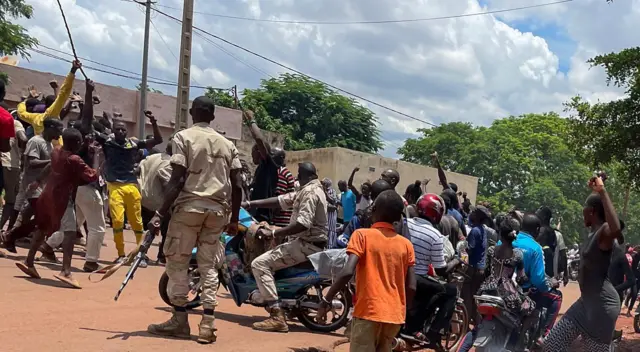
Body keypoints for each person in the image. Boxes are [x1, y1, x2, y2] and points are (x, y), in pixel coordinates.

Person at [146, 96, 243, 344]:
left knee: (177, 262)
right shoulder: (227, 144)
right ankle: (207, 324)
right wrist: (233, 218)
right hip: (217, 213)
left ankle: (180, 320)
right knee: (208, 266)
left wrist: (159, 214)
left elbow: (176, 179)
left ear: (192, 113)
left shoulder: (183, 137)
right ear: (212, 116)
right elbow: (238, 185)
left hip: (189, 209)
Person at [317, 190, 416, 352]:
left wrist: (326, 300)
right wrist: (402, 311)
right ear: (399, 218)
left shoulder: (362, 236)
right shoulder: (406, 245)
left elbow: (348, 271)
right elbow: (412, 286)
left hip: (368, 312)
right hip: (394, 317)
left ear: (374, 209)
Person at [543, 175, 622, 352]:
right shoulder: (592, 233)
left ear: (592, 211)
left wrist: (602, 191)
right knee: (552, 345)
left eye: (584, 209)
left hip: (602, 305)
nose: (582, 213)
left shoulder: (604, 232)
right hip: (586, 302)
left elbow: (616, 228)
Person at [249, 162, 327, 332]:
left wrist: (274, 233)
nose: (296, 177)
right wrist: (250, 204)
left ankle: (276, 315)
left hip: (306, 245)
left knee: (259, 264)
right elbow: (280, 201)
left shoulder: (310, 193)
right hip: (307, 243)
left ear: (308, 176)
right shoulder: (309, 190)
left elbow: (302, 224)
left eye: (299, 173)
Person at [15, 127, 98, 288]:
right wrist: (96, 158)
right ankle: (66, 271)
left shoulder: (56, 151)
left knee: (42, 227)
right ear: (77, 143)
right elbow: (92, 175)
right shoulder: (75, 159)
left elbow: (48, 168)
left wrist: (38, 181)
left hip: (47, 195)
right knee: (70, 233)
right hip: (62, 199)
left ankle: (29, 261)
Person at [458, 215, 537, 352]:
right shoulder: (517, 254)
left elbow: (484, 271)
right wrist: (528, 283)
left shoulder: (491, 250)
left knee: (477, 328)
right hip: (507, 293)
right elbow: (520, 278)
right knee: (530, 309)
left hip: (486, 290)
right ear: (514, 236)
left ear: (500, 234)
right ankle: (518, 342)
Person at [95, 110, 162, 263]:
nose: (120, 131)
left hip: (131, 186)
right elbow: (87, 126)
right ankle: (121, 254)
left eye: (123, 129)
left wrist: (153, 121)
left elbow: (158, 140)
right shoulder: (107, 142)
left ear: (127, 132)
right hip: (114, 186)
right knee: (117, 221)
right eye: (117, 129)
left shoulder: (134, 144)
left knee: (137, 222)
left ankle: (140, 254)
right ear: (113, 130)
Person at [404, 193, 459, 346]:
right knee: (449, 291)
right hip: (417, 277)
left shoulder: (405, 223)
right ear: (437, 212)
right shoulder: (435, 235)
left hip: (398, 273)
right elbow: (440, 269)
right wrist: (456, 261)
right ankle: (432, 331)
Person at [1, 118, 63, 254]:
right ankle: (11, 235)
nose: (60, 133)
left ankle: (10, 235)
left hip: (42, 186)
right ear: (50, 127)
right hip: (32, 185)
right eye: (59, 129)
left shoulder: (49, 144)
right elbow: (31, 163)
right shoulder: (36, 141)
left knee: (29, 214)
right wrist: (53, 161)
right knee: (45, 218)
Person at [506, 213, 562, 343]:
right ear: (537, 230)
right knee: (557, 297)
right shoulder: (535, 248)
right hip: (523, 292)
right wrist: (550, 284)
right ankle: (543, 336)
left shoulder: (505, 240)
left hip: (499, 288)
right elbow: (538, 280)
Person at [16, 60, 81, 146]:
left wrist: (25, 100)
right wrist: (73, 71)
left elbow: (21, 113)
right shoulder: (52, 113)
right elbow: (63, 94)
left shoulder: (35, 119)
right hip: (56, 154)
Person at [138, 134, 174, 265]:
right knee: (167, 231)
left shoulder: (151, 157)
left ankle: (141, 255)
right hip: (159, 203)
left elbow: (138, 170)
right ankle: (162, 256)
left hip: (143, 198)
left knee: (145, 230)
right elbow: (167, 185)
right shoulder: (170, 164)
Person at [336, 179, 393, 248]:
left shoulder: (359, 218)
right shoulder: (360, 215)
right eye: (362, 189)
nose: (363, 191)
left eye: (365, 189)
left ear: (370, 193)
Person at [245, 110, 278, 224]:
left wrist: (251, 119)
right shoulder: (260, 169)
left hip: (263, 218)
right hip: (255, 214)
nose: (251, 155)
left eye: (252, 151)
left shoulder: (268, 165)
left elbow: (259, 139)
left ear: (259, 151)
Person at [0, 108, 27, 229]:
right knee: (11, 201)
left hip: (2, 162)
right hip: (12, 165)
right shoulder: (16, 123)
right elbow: (23, 139)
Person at [462, 206, 490, 321]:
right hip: (481, 268)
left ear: (478, 216)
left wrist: (461, 253)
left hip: (473, 268)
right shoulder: (483, 230)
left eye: (473, 212)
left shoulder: (475, 231)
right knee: (474, 296)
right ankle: (476, 321)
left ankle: (466, 320)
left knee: (466, 295)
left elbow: (470, 249)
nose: (471, 213)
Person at [272, 148, 295, 228]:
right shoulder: (284, 172)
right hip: (284, 220)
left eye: (273, 154)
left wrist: (271, 217)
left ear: (281, 158)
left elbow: (279, 200)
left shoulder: (280, 173)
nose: (270, 157)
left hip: (279, 221)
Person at [536, 206, 558, 278]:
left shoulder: (542, 231)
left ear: (544, 217)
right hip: (548, 269)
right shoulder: (552, 231)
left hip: (540, 269)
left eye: (538, 215)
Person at [322, 178, 340, 249]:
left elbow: (333, 202)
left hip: (331, 215)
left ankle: (330, 246)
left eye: (323, 183)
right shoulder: (320, 191)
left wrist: (325, 192)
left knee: (330, 230)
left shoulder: (332, 191)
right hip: (323, 214)